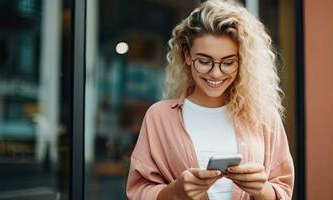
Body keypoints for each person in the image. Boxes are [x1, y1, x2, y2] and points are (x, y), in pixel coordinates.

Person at [126, 0, 294, 199]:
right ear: (187, 56)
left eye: (228, 62)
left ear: (243, 61)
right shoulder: (159, 116)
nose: (215, 73)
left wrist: (261, 189)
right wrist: (175, 192)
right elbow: (138, 191)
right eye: (204, 61)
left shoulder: (263, 116)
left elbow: (283, 190)